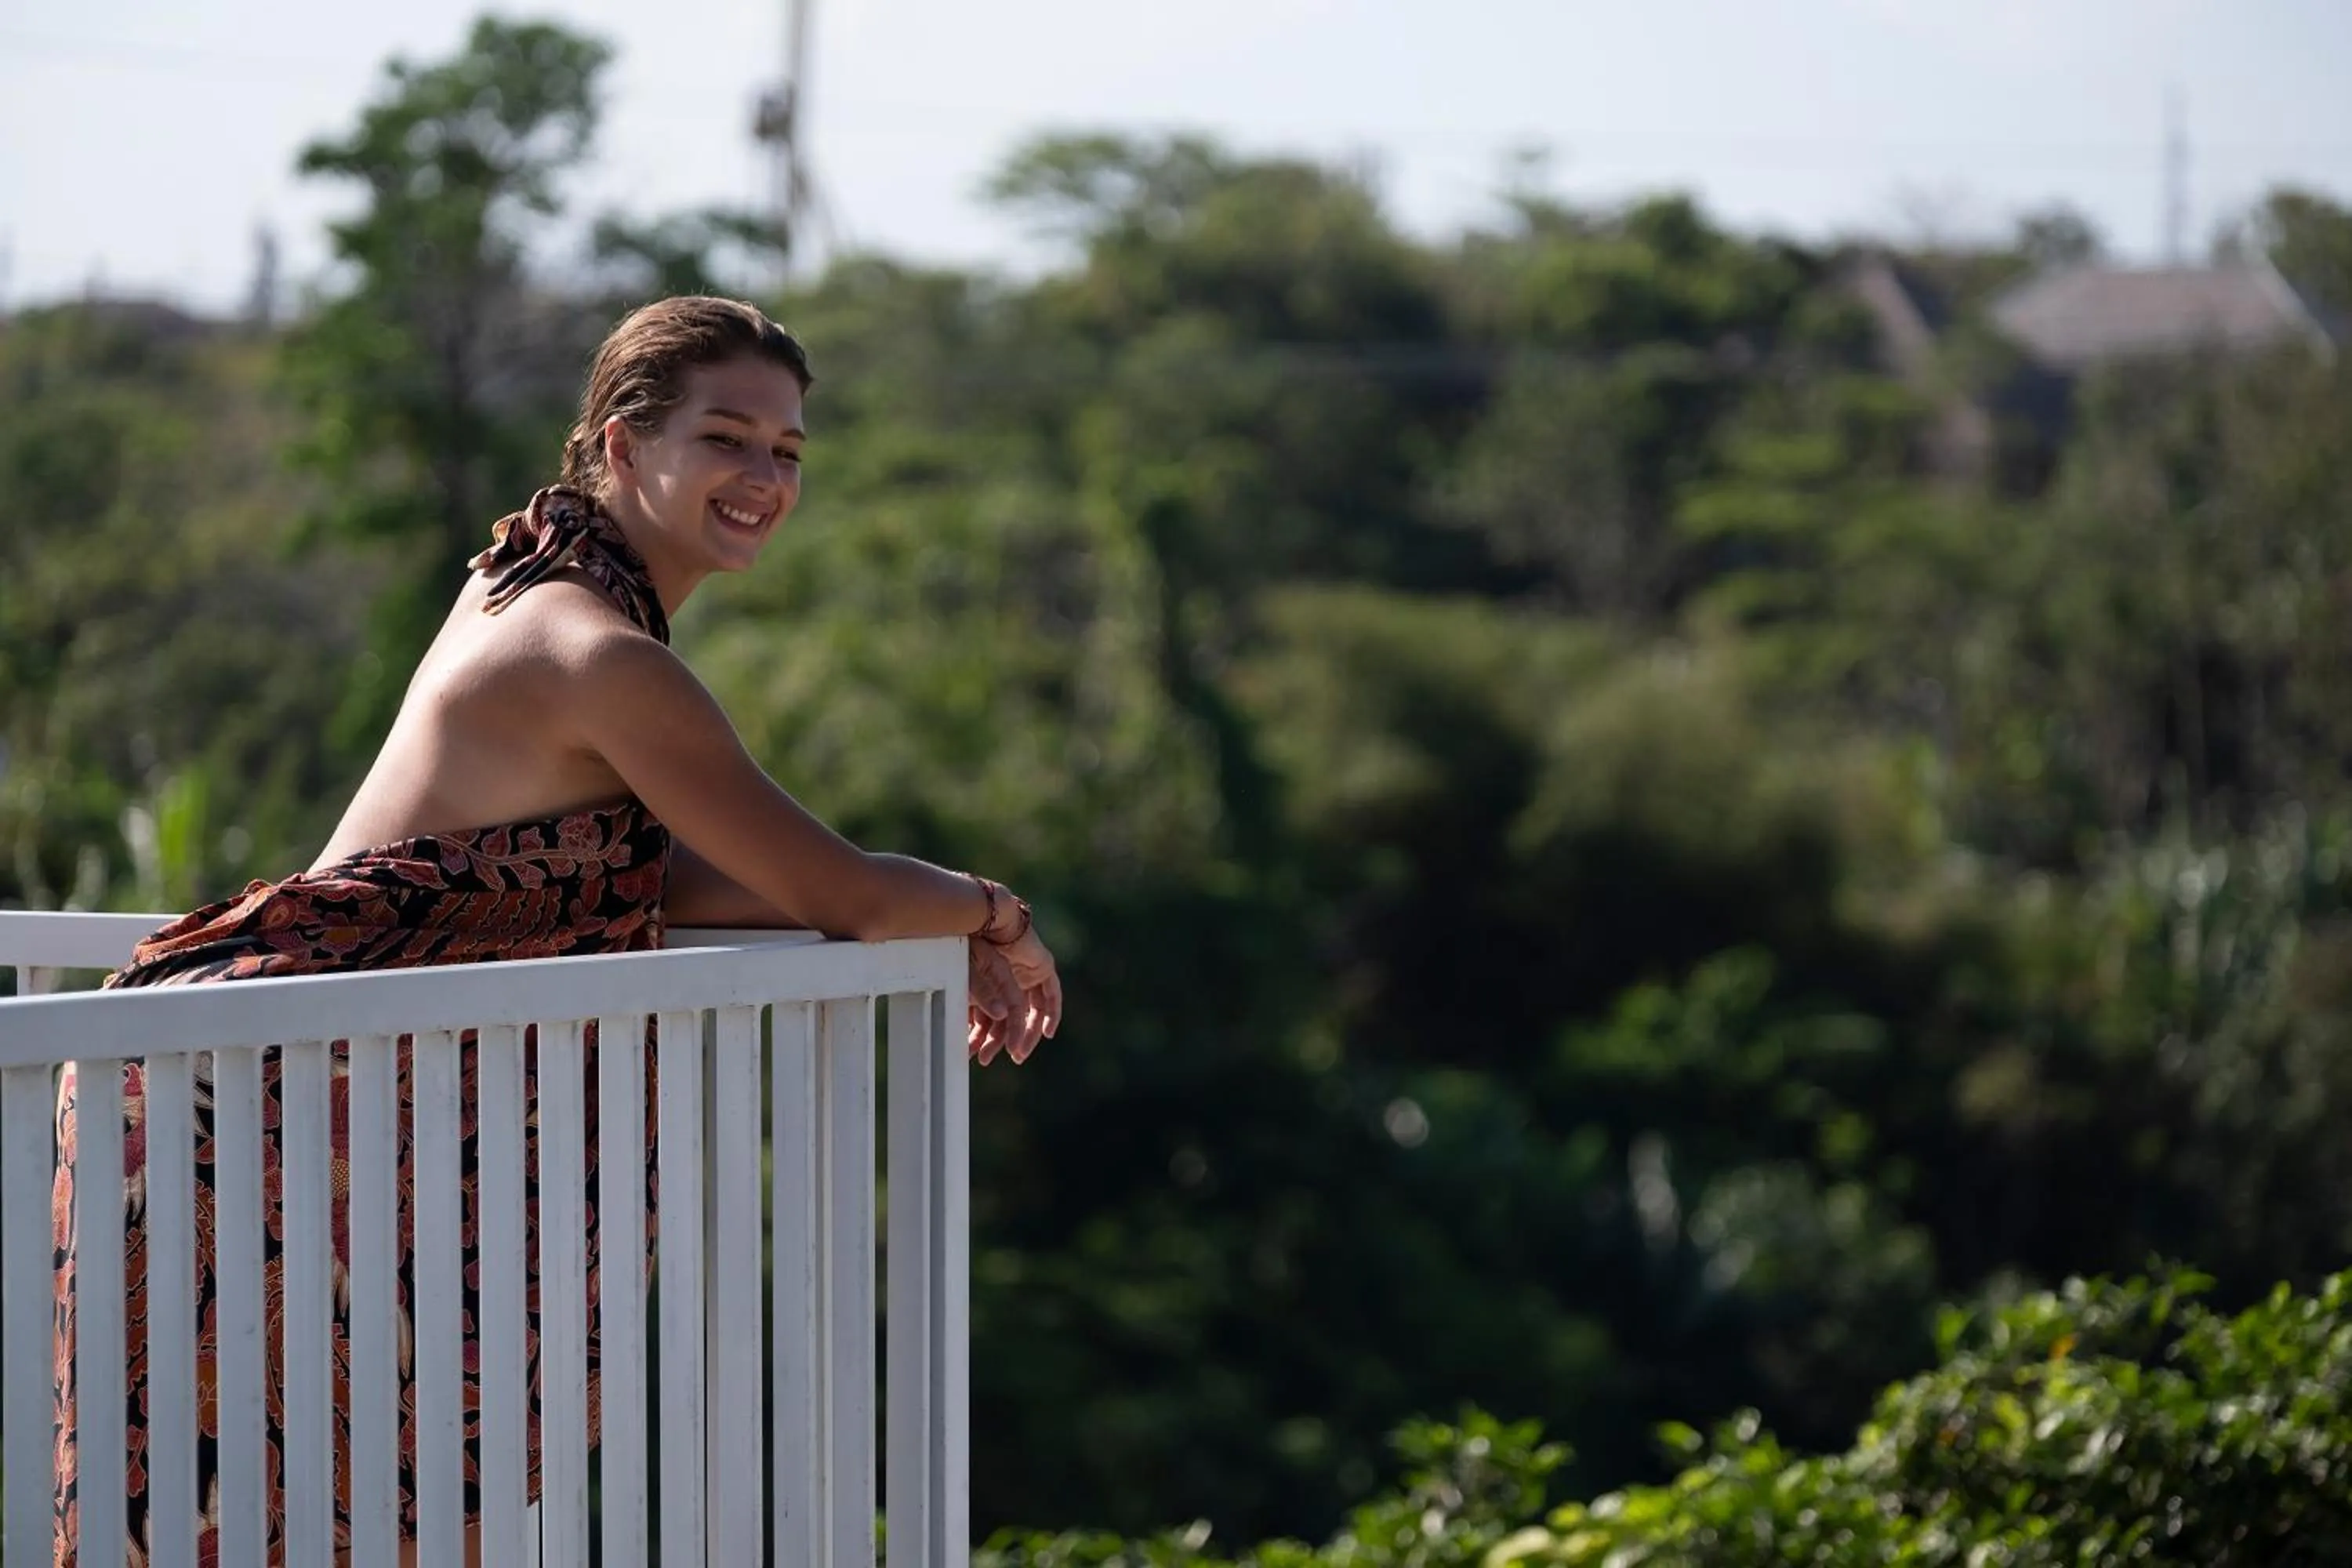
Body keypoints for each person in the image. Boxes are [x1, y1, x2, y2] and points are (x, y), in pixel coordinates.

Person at [49, 295, 1062, 1565]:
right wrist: (997, 912)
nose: (763, 477)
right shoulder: (601, 654)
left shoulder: (527, 585)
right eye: (726, 439)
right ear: (624, 445)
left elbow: (664, 879)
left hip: (266, 1091)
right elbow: (845, 895)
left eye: (787, 450)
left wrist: (915, 910)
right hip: (266, 1113)